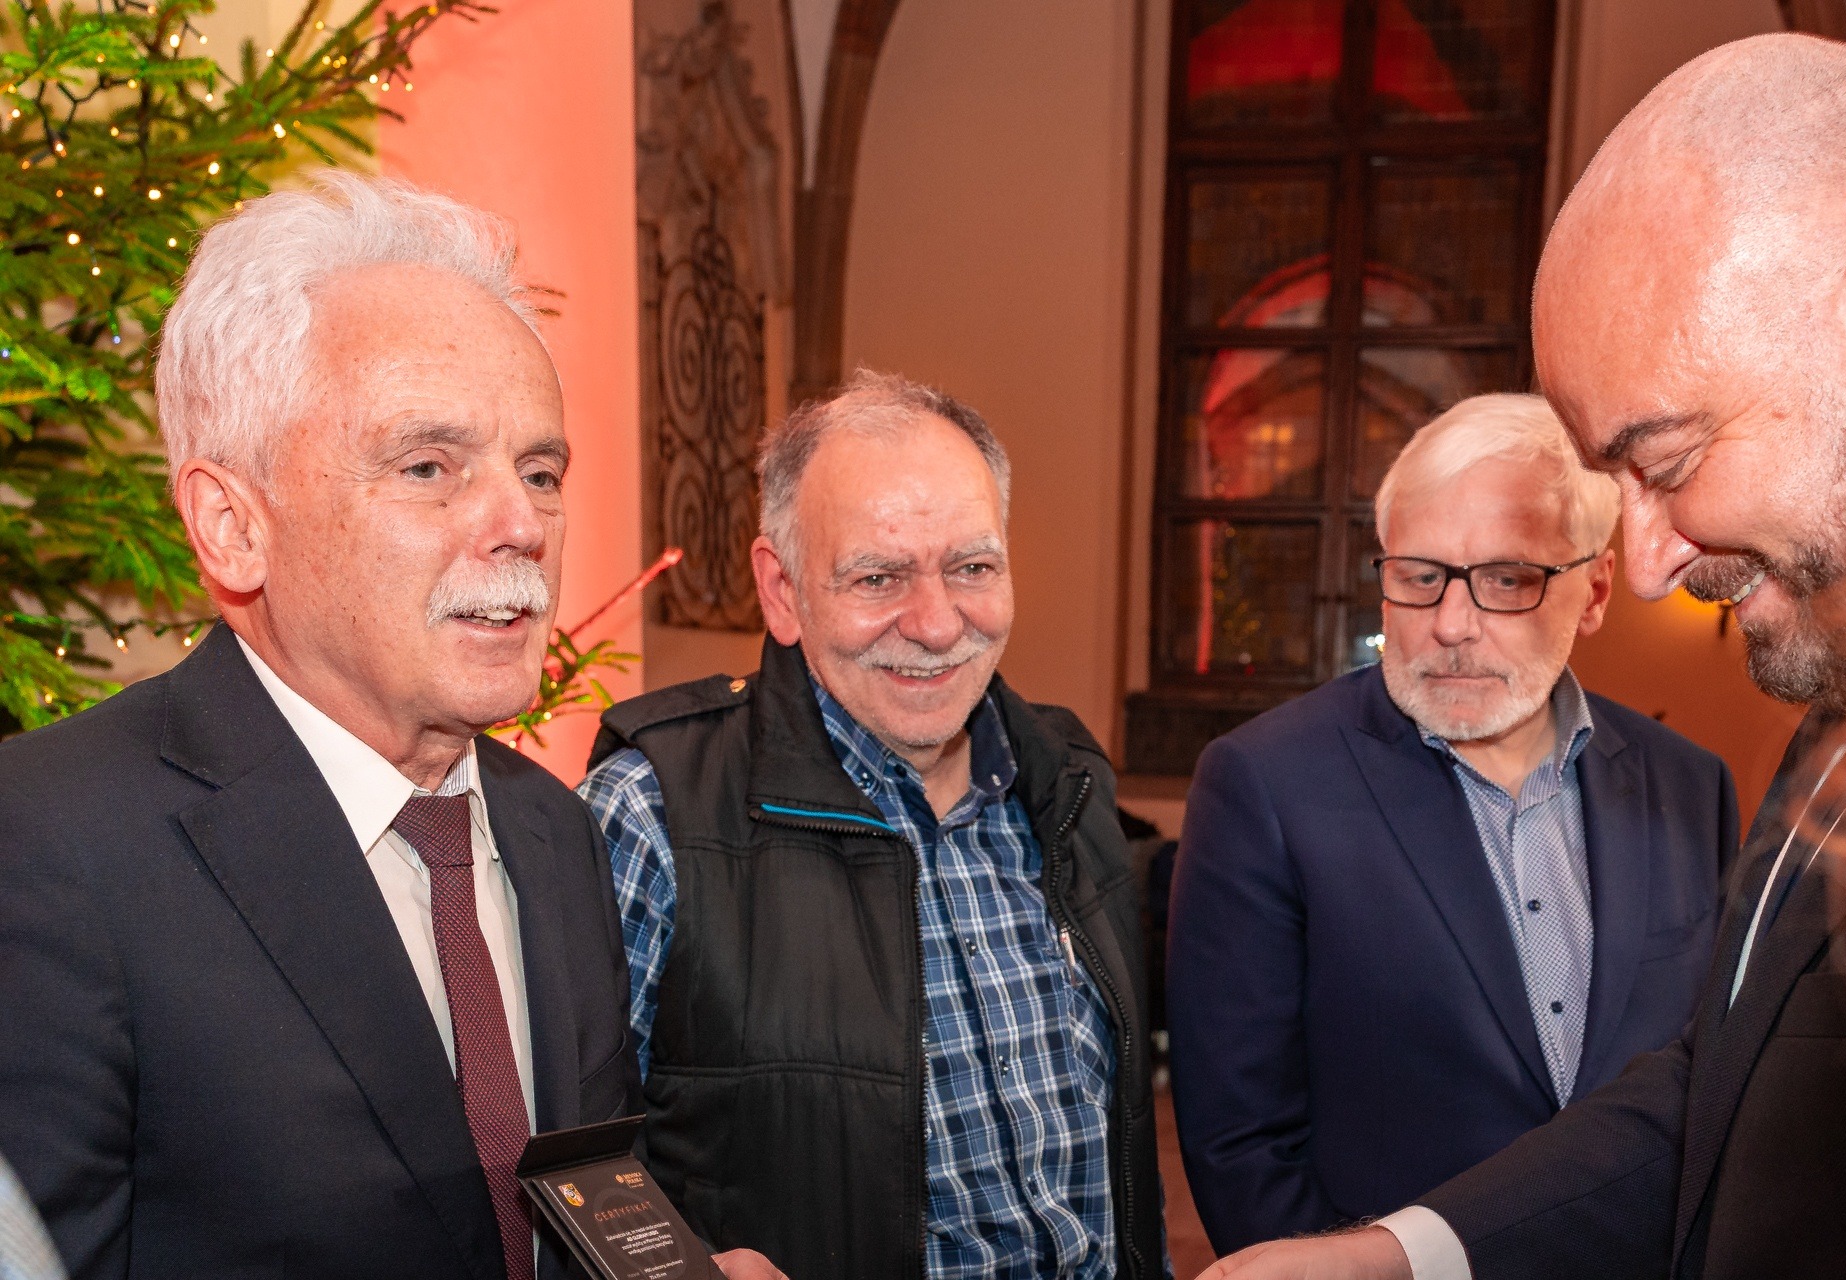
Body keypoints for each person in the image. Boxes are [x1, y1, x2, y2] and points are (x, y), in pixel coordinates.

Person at [1196, 32, 1846, 1280]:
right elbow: (1722, 1091)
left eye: (1670, 459)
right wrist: (1393, 1256)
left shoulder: (1711, 761)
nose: (1642, 569)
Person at [0, 174, 778, 1280]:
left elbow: (587, 1207)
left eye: (541, 471)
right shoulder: (48, 846)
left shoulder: (553, 833)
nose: (522, 524)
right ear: (232, 525)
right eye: (427, 467)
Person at [579, 370, 1165, 1280]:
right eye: (878, 576)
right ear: (781, 590)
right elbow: (570, 1157)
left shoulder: (1068, 782)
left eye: (972, 568)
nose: (935, 624)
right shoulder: (653, 811)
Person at [1168, 394, 1739, 1252]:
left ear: (1594, 592)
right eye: (1419, 576)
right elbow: (1240, 1145)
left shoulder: (1690, 786)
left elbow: (1712, 1078)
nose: (1451, 625)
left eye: (1506, 579)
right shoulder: (1266, 783)